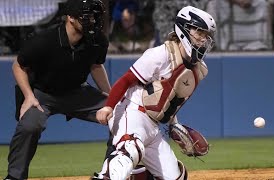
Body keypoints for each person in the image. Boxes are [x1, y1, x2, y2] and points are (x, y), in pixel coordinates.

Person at [92, 5, 216, 180]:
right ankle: (106, 176)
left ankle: (134, 176)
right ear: (184, 30)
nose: (203, 39)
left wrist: (175, 126)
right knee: (130, 149)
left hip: (154, 126)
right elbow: (126, 79)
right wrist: (108, 107)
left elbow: (170, 99)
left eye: (206, 35)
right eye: (199, 32)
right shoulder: (161, 54)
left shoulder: (199, 70)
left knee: (176, 177)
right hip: (132, 112)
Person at [3, 0, 111, 179]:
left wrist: (112, 97)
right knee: (30, 125)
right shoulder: (44, 40)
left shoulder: (97, 39)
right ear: (70, 17)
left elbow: (96, 66)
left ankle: (111, 172)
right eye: (86, 16)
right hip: (43, 94)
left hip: (78, 92)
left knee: (122, 113)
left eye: (93, 16)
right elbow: (18, 66)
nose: (91, 20)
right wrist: (29, 96)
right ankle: (14, 176)